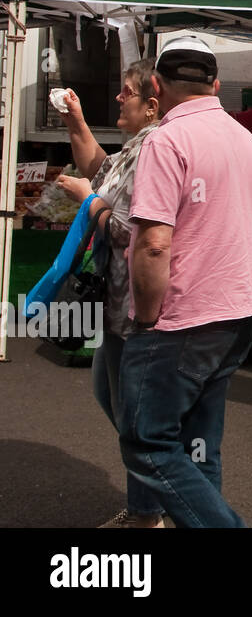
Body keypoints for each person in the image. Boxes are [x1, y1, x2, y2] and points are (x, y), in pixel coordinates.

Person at [119, 36, 252, 528]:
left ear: (157, 85)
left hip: (186, 314)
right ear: (217, 84)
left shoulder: (166, 139)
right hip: (238, 308)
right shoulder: (243, 136)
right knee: (200, 442)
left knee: (148, 440)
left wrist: (145, 318)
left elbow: (155, 243)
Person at [54, 60, 165, 529]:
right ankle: (153, 493)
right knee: (112, 397)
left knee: (137, 419)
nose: (118, 98)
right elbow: (101, 171)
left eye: (126, 93)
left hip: (137, 307)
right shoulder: (137, 145)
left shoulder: (154, 149)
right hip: (122, 305)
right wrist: (76, 124)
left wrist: (88, 201)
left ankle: (149, 510)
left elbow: (126, 228)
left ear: (151, 105)